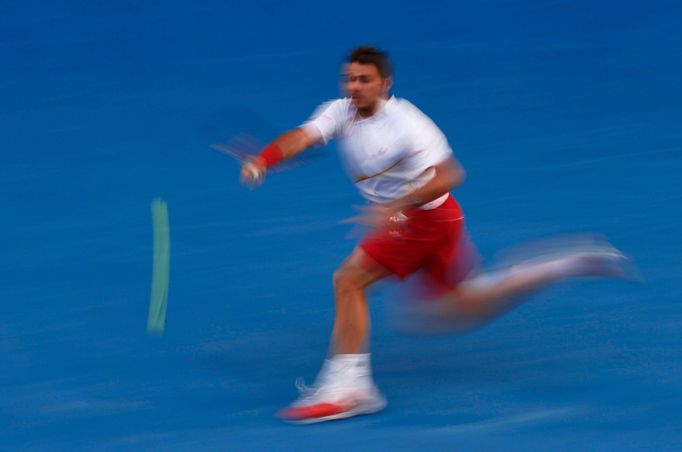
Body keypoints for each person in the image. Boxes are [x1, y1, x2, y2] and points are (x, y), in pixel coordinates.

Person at [240, 46, 635, 423]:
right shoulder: (339, 112)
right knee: (458, 309)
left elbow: (451, 175)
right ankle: (570, 262)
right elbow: (303, 136)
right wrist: (264, 159)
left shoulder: (408, 123)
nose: (354, 87)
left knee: (348, 281)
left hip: (420, 220)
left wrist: (396, 207)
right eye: (349, 79)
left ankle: (349, 390)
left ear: (385, 83)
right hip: (438, 220)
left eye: (364, 79)